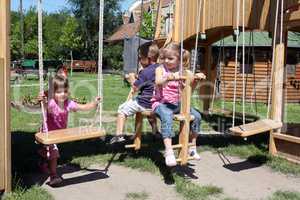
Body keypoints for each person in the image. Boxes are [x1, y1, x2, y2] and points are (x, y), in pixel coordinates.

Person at [38, 74, 101, 186]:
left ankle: (42, 162)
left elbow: (83, 107)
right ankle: (54, 175)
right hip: (48, 133)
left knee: (48, 152)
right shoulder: (52, 103)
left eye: (65, 91)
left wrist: (94, 103)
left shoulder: (68, 103)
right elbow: (45, 106)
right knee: (54, 153)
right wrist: (42, 100)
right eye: (59, 92)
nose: (63, 94)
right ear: (53, 93)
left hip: (59, 133)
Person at [151, 42, 206, 167]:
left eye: (170, 58)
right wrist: (168, 78)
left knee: (197, 116)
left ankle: (192, 146)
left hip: (177, 104)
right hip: (161, 103)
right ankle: (169, 151)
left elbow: (190, 88)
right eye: (164, 58)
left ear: (179, 59)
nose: (166, 61)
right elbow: (158, 81)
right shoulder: (160, 69)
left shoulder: (184, 72)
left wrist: (197, 78)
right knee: (166, 116)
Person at [110, 42, 160, 144]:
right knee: (150, 114)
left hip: (144, 102)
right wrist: (139, 77)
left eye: (140, 58)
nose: (139, 60)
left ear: (148, 58)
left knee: (122, 109)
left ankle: (119, 135)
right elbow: (148, 82)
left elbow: (135, 87)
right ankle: (156, 132)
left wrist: (131, 78)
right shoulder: (160, 68)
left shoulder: (145, 72)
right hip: (155, 102)